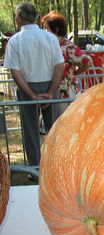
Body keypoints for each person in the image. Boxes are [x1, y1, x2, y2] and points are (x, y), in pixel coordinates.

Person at [4, 2, 64, 167]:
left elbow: (15, 72)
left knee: (30, 130)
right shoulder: (50, 38)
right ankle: (54, 164)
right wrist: (51, 92)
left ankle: (34, 167)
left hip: (26, 87)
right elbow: (59, 66)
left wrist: (32, 95)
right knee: (53, 128)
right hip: (50, 85)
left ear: (19, 18)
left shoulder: (15, 41)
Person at [41, 10, 92, 114]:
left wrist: (76, 73)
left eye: (46, 28)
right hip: (52, 92)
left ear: (56, 29)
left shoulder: (68, 47)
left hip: (66, 94)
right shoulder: (50, 46)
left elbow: (88, 61)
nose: (43, 31)